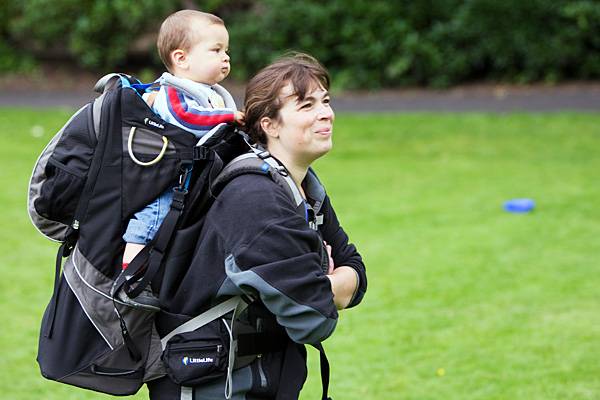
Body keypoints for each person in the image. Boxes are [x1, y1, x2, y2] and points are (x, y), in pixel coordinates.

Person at [148, 53, 367, 399]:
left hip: (258, 380)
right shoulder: (255, 197)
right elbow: (313, 317)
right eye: (306, 105)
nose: (326, 113)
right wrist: (326, 281)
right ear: (270, 124)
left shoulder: (303, 187)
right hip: (212, 385)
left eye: (325, 101)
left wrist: (323, 282)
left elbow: (356, 271)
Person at [121, 10, 244, 307]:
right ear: (181, 58)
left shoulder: (209, 93)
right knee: (150, 221)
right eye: (216, 50)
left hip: (190, 182)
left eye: (226, 50)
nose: (225, 57)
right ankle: (128, 276)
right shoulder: (172, 93)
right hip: (163, 183)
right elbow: (187, 118)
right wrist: (228, 116)